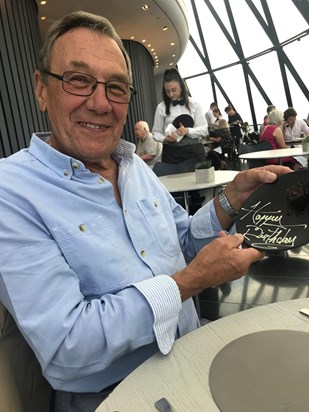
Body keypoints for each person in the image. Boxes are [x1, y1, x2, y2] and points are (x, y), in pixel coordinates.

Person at [0, 10, 291, 412]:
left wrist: (230, 198)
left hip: (192, 347)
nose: (101, 103)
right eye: (79, 80)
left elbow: (184, 241)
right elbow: (68, 344)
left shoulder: (133, 164)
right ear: (41, 89)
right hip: (113, 394)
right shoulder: (10, 191)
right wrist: (190, 282)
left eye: (116, 87)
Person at [152, 68, 207, 163]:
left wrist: (188, 131)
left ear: (181, 86)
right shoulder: (161, 107)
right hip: (171, 153)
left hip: (194, 151)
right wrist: (165, 139)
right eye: (167, 91)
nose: (171, 94)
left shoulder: (194, 104)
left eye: (174, 90)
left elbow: (204, 130)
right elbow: (156, 132)